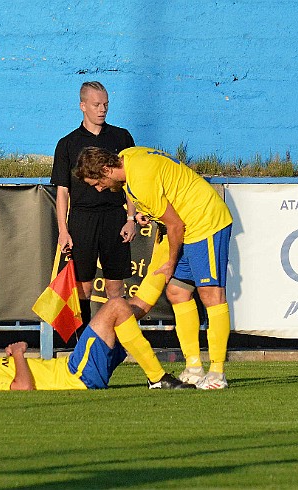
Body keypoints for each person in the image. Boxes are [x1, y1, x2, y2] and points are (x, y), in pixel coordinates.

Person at [75, 146, 234, 390]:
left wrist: (170, 262)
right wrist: (141, 212)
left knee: (211, 295)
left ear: (106, 169)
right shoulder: (128, 156)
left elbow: (175, 225)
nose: (98, 188)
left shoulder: (140, 181)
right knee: (177, 292)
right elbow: (147, 189)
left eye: (97, 182)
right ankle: (193, 367)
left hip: (204, 222)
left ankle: (217, 372)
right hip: (188, 225)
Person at [0, 297, 195, 390]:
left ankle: (167, 264)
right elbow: (22, 387)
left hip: (77, 371)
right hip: (76, 374)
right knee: (115, 306)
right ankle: (157, 378)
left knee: (131, 307)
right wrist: (17, 354)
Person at [51, 81, 137, 328]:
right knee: (82, 286)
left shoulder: (121, 137)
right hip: (82, 219)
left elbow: (130, 182)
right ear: (82, 106)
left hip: (114, 217)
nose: (102, 109)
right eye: (97, 104)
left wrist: (130, 218)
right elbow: (62, 192)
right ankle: (83, 342)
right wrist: (63, 230)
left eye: (106, 105)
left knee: (115, 287)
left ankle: (119, 340)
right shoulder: (67, 143)